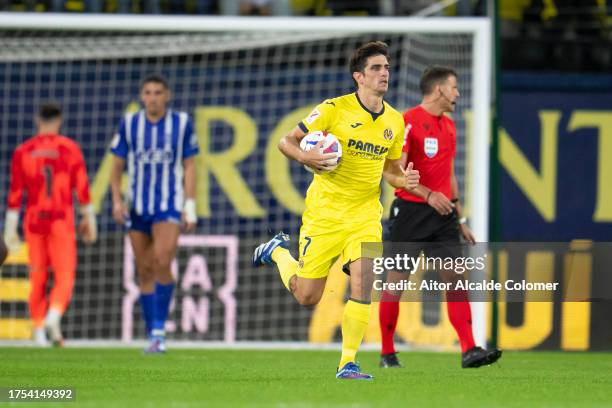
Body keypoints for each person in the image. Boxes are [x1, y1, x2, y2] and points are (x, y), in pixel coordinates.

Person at [253, 41, 420, 380]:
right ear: (359, 76)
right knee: (307, 295)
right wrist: (305, 156)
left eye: (386, 67)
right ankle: (279, 253)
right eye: (376, 68)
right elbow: (287, 141)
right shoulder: (333, 109)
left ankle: (348, 363)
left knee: (364, 281)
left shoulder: (394, 121)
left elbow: (389, 170)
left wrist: (405, 180)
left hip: (365, 214)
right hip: (326, 213)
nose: (384, 73)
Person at [378, 66, 502, 369]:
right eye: (454, 87)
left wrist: (459, 218)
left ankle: (470, 349)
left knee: (456, 280)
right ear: (438, 90)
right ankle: (386, 352)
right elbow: (394, 172)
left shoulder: (449, 125)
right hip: (410, 212)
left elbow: (448, 174)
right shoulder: (407, 121)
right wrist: (427, 194)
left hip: (444, 215)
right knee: (395, 284)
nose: (458, 93)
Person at [110, 74, 198, 354]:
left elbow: (190, 165)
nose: (152, 97)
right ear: (141, 96)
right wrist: (116, 201)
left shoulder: (181, 123)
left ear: (167, 95)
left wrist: (190, 205)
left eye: (158, 92)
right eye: (147, 92)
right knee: (144, 269)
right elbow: (116, 165)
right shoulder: (130, 123)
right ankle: (153, 335)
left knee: (162, 260)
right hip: (137, 207)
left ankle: (159, 329)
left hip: (168, 205)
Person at [4, 103, 97, 347]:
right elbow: (82, 187)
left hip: (34, 220)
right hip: (61, 219)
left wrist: (10, 226)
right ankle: (53, 317)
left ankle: (40, 330)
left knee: (38, 276)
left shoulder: (23, 151)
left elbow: (15, 193)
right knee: (65, 275)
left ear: (38, 121)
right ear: (59, 121)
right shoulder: (69, 149)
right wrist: (89, 218)